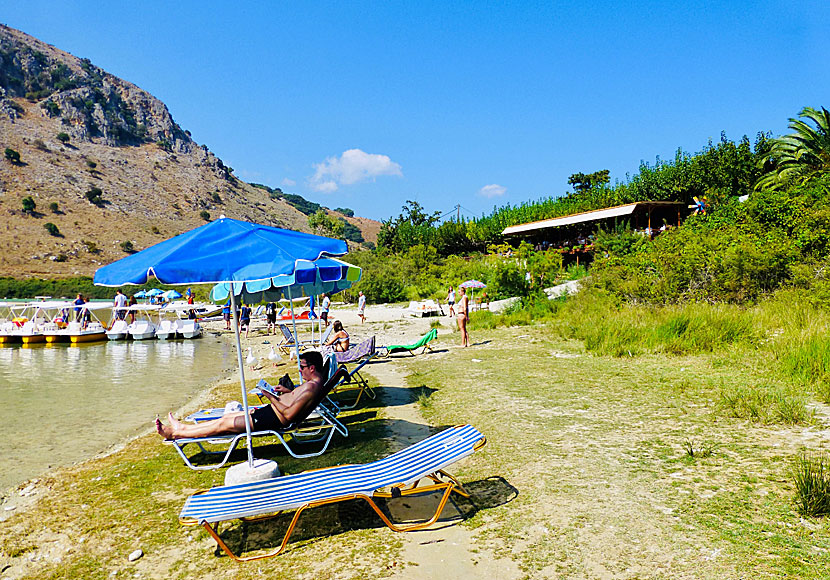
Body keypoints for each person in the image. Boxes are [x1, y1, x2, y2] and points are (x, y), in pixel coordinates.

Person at [155, 351, 327, 440]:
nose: (299, 369)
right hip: (270, 413)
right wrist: (287, 392)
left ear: (312, 368)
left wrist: (270, 396)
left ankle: (175, 434)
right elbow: (298, 401)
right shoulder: (314, 384)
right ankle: (183, 428)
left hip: (272, 418)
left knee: (223, 424)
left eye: (302, 367)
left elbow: (289, 414)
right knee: (228, 416)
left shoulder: (312, 388)